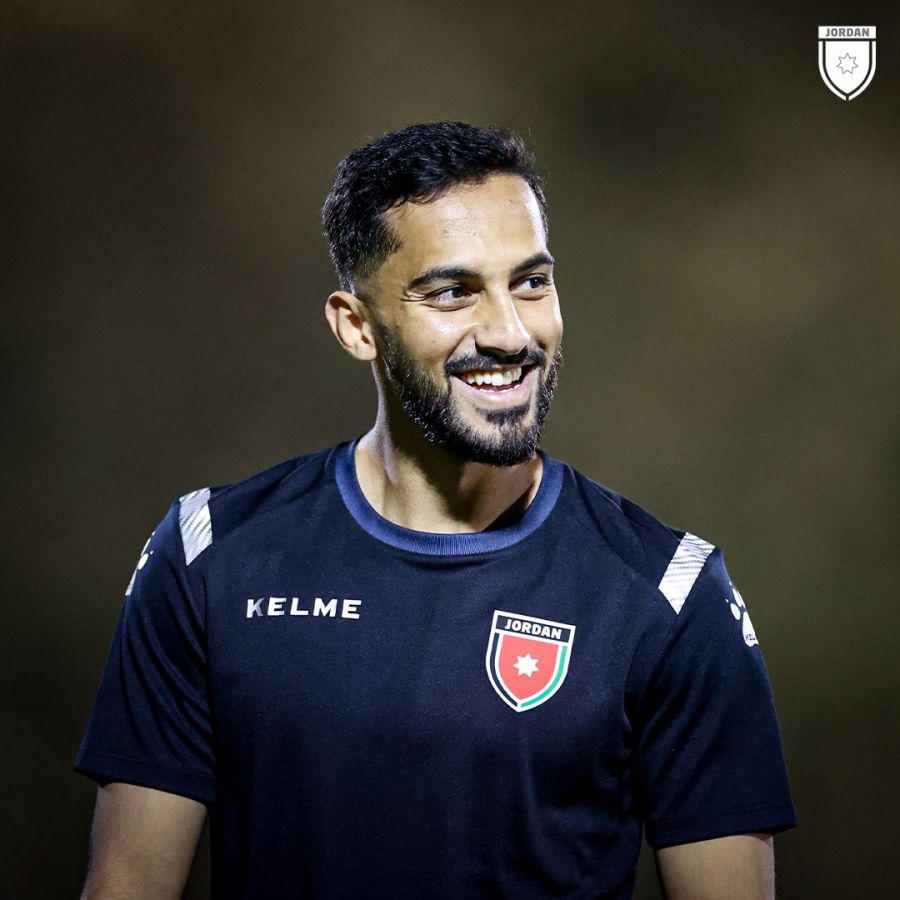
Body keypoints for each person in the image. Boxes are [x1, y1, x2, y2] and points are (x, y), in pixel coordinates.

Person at [75, 121, 796, 900]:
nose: (510, 333)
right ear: (358, 326)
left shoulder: (672, 591)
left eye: (531, 283)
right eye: (453, 292)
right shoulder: (210, 554)